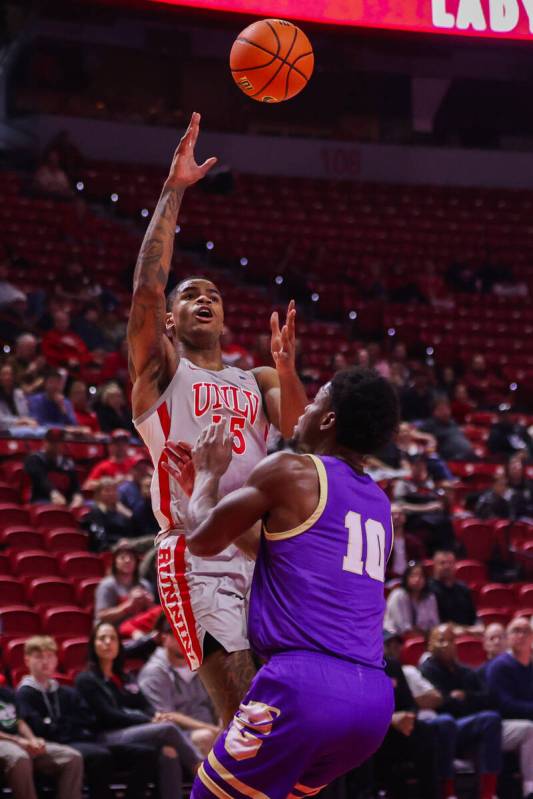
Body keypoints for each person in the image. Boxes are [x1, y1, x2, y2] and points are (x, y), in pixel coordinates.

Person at [128, 112, 308, 724]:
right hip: (198, 553)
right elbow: (147, 292)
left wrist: (286, 370)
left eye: (215, 295)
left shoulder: (253, 380)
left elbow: (307, 434)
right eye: (191, 295)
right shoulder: (162, 374)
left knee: (284, 722)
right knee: (243, 723)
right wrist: (173, 190)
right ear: (172, 321)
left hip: (264, 556)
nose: (204, 298)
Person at [170, 366, 399, 799]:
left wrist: (206, 475)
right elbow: (281, 553)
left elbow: (201, 539)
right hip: (371, 702)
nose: (304, 410)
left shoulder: (292, 470)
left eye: (316, 402)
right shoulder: (379, 503)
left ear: (329, 420)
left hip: (304, 688)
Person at [16, 635, 154, 799]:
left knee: (145, 753)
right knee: (100, 756)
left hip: (86, 739)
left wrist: (60, 724)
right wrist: (67, 726)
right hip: (58, 745)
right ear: (27, 660)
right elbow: (40, 729)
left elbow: (88, 719)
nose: (45, 662)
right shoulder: (24, 694)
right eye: (39, 657)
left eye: (49, 656)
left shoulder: (66, 691)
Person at [76, 621, 202, 799]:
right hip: (105, 735)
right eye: (102, 638)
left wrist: (154, 715)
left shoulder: (125, 677)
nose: (107, 642)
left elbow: (145, 704)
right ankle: (200, 768)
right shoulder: (86, 679)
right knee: (167, 728)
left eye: (112, 638)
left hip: (132, 733)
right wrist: (149, 720)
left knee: (169, 753)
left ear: (119, 645)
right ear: (93, 644)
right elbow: (108, 716)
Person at [420, 624, 502, 799]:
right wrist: (459, 700)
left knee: (492, 718)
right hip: (440, 728)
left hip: (464, 726)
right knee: (447, 721)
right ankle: (448, 793)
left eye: (451, 640)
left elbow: (487, 698)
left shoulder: (464, 670)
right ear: (430, 645)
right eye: (442, 640)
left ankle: (488, 793)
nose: (448, 645)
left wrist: (464, 697)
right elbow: (440, 703)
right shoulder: (426, 671)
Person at [377, 631, 458, 799]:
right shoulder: (359, 666)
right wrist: (390, 719)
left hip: (400, 727)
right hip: (376, 727)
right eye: (388, 644)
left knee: (425, 733)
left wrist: (408, 717)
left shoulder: (392, 665)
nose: (393, 649)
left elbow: (409, 703)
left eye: (396, 644)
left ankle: (432, 794)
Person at [139, 617, 219, 757]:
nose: (185, 639)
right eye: (179, 634)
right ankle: (208, 779)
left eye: (189, 633)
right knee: (205, 737)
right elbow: (166, 716)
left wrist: (224, 725)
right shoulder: (154, 672)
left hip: (211, 728)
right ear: (164, 638)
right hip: (181, 735)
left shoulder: (201, 664)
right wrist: (213, 729)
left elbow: (215, 704)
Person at [0, 683, 83, 799]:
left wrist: (33, 739)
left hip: (19, 740)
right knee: (20, 757)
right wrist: (18, 740)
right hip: (4, 741)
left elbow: (19, 722)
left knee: (71, 757)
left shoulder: (5, 693)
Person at [484, 617, 533, 799]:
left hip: (525, 720)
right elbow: (505, 705)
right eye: (515, 631)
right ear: (509, 637)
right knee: (530, 730)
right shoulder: (500, 666)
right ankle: (530, 788)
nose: (520, 635)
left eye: (525, 631)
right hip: (500, 726)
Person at [394, 456, 456, 554]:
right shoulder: (403, 483)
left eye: (422, 466)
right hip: (411, 517)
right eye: (417, 465)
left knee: (446, 521)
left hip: (429, 515)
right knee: (437, 524)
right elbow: (400, 506)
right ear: (411, 466)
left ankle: (448, 552)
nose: (420, 468)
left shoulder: (428, 483)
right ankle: (436, 552)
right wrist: (426, 508)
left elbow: (435, 500)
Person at [94, 540, 155, 626]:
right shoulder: (107, 585)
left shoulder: (144, 584)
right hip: (113, 632)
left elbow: (153, 614)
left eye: (131, 557)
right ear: (115, 562)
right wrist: (128, 605)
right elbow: (101, 616)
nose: (127, 560)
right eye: (122, 557)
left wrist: (149, 603)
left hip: (137, 630)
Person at [24, 427, 84, 507]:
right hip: (40, 499)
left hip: (65, 500)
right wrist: (53, 493)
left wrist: (78, 496)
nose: (55, 445)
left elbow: (75, 484)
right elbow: (41, 479)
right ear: (45, 442)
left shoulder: (68, 463)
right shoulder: (34, 459)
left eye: (58, 442)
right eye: (51, 442)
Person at [429, 551, 481, 632]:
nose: (447, 566)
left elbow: (473, 616)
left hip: (467, 632)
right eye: (442, 563)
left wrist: (478, 626)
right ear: (434, 566)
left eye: (450, 563)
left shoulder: (463, 588)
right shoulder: (428, 590)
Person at [384, 561, 440, 636]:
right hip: (395, 639)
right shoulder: (398, 595)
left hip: (424, 637)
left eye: (421, 576)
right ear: (406, 578)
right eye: (413, 576)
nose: (417, 579)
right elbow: (402, 628)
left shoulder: (430, 597)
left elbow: (435, 624)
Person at [81, 478, 133, 551]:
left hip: (127, 543)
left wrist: (128, 515)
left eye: (114, 490)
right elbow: (100, 536)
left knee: (152, 541)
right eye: (107, 490)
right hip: (110, 547)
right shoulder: (96, 511)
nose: (112, 493)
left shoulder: (120, 510)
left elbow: (133, 531)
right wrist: (119, 541)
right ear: (98, 494)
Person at [0, 362, 39, 433]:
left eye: (10, 374)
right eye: (4, 374)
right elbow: (1, 421)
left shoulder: (19, 393)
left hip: (22, 429)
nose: (7, 377)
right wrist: (21, 421)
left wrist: (28, 421)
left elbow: (25, 414)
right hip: (4, 432)